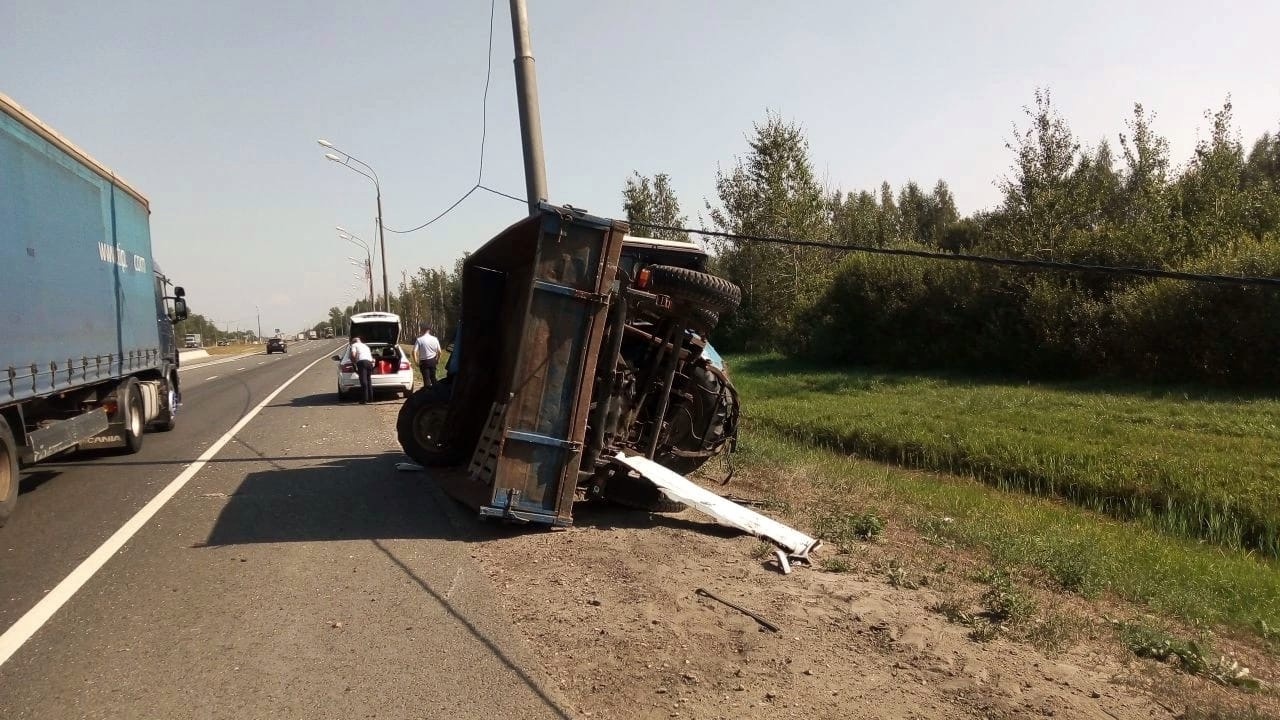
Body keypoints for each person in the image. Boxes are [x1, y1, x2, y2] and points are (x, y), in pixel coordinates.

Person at [412, 323, 442, 388]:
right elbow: (439, 351)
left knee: (426, 379)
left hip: (424, 362)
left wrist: (416, 361)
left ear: (422, 330)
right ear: (429, 330)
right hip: (433, 361)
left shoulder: (419, 340)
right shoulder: (435, 339)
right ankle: (436, 393)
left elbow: (414, 351)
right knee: (433, 378)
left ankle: (427, 394)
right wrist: (437, 360)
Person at [350, 336, 374, 404]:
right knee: (368, 380)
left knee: (363, 381)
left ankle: (364, 399)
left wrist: (354, 362)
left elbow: (353, 354)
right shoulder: (365, 346)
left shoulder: (354, 345)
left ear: (353, 342)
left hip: (362, 362)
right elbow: (371, 357)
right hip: (369, 363)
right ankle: (370, 398)